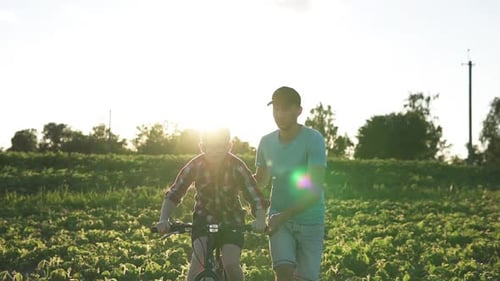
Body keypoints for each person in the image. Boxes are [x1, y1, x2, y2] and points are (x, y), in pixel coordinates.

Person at [156, 128, 268, 281]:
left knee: (230, 263)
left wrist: (260, 220)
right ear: (203, 147)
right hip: (203, 220)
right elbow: (174, 193)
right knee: (197, 262)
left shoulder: (237, 166)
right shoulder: (195, 165)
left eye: (220, 147)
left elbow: (255, 196)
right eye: (211, 147)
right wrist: (164, 219)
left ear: (228, 146)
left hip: (232, 221)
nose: (215, 151)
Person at [254, 86, 327, 281]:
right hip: (279, 219)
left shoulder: (313, 139)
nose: (280, 114)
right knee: (283, 274)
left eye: (285, 109)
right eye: (276, 109)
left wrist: (283, 216)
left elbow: (313, 191)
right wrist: (232, 182)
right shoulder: (266, 142)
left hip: (310, 220)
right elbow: (259, 182)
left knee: (306, 278)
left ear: (298, 111)